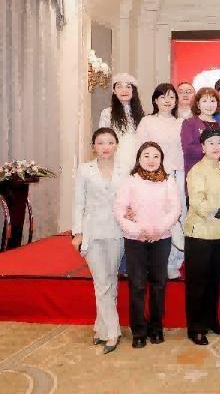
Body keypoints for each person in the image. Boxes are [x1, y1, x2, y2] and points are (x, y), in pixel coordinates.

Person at [113, 142, 181, 349]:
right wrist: (138, 230)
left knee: (159, 283)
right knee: (137, 285)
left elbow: (175, 209)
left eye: (156, 156)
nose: (151, 160)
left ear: (161, 160)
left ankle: (156, 328)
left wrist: (158, 229)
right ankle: (139, 331)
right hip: (135, 240)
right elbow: (119, 210)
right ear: (139, 159)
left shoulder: (168, 181)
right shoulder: (130, 181)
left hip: (162, 238)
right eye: (146, 156)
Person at [71, 128, 126, 354]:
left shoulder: (125, 170)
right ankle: (113, 331)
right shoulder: (85, 170)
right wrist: (77, 232)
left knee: (110, 280)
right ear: (93, 146)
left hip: (117, 231)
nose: (105, 147)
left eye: (110, 142)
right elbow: (78, 202)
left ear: (116, 145)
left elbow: (129, 200)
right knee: (101, 282)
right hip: (92, 232)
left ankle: (101, 327)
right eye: (101, 143)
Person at [183, 128, 220, 346]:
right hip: (200, 234)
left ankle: (211, 320)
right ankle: (196, 328)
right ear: (203, 147)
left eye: (219, 142)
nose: (216, 147)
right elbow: (198, 203)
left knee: (214, 281)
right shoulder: (196, 171)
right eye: (211, 143)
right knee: (198, 282)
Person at [136, 83, 187, 280]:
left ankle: (174, 262)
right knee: (155, 215)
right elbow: (140, 150)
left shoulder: (181, 123)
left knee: (177, 216)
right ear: (155, 100)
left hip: (177, 174)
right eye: (163, 97)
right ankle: (155, 262)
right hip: (153, 175)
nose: (167, 101)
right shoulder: (147, 121)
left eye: (171, 97)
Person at [99, 73, 145, 173]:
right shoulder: (107, 113)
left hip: (138, 161)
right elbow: (102, 139)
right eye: (119, 87)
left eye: (128, 87)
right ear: (114, 91)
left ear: (133, 91)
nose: (124, 90)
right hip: (116, 161)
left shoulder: (141, 115)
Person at [181, 88, 220, 176]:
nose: (209, 105)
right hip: (196, 172)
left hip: (218, 171)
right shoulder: (189, 123)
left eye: (212, 101)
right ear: (198, 105)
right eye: (205, 101)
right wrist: (211, 151)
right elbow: (188, 148)